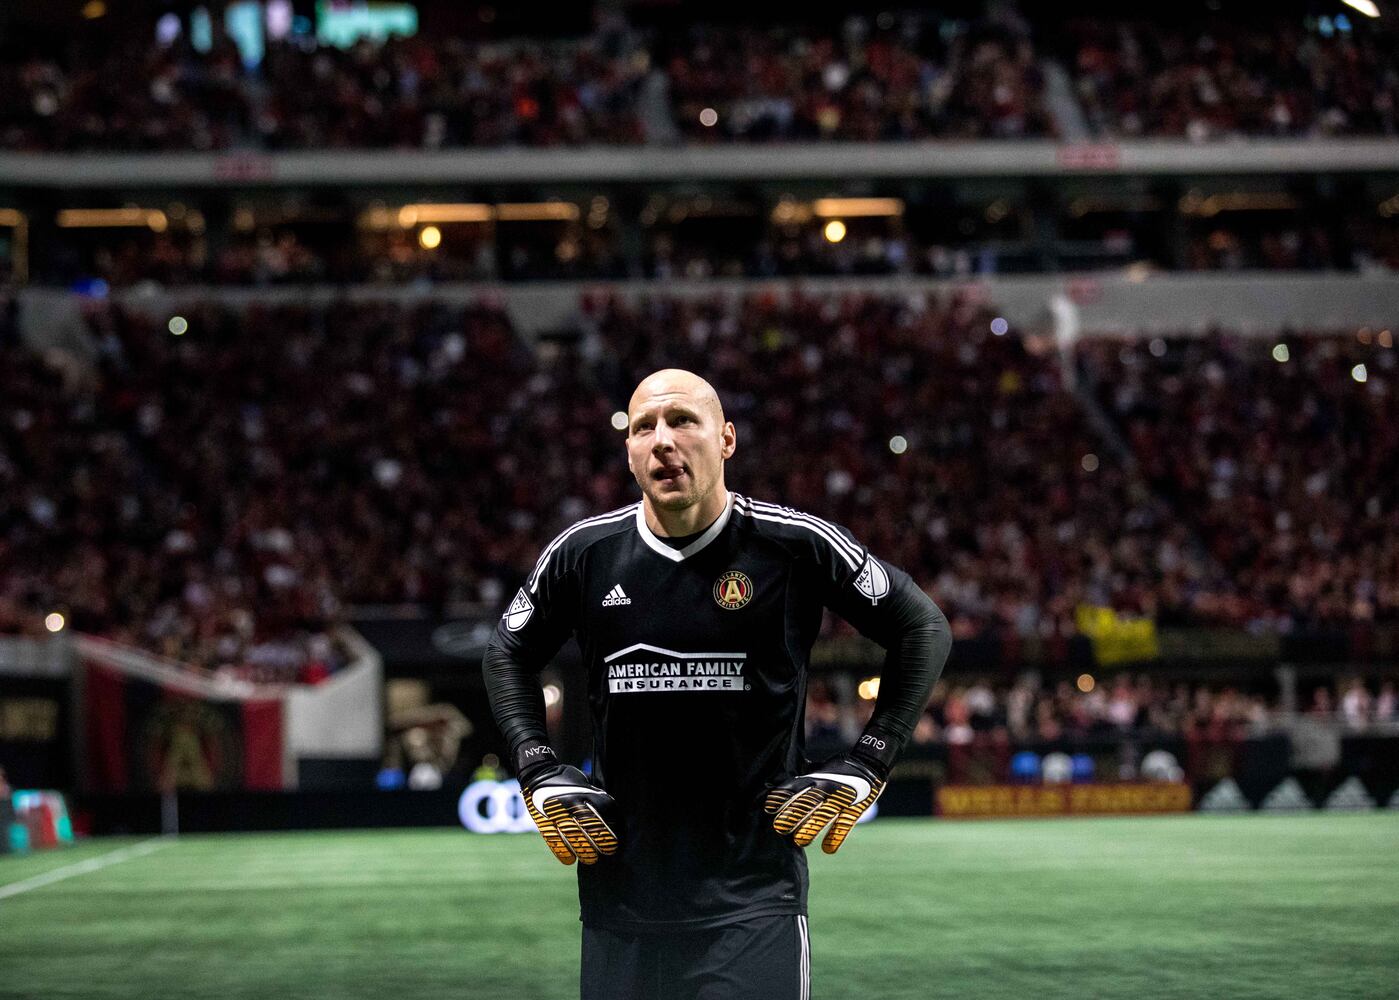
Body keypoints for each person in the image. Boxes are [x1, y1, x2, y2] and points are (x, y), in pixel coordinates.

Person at [483, 369, 951, 1000]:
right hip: (620, 900)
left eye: (682, 420)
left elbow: (922, 627)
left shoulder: (794, 545)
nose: (662, 440)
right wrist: (536, 767)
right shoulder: (583, 553)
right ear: (629, 451)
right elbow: (506, 652)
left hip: (754, 903)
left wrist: (870, 761)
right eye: (644, 427)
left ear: (726, 439)